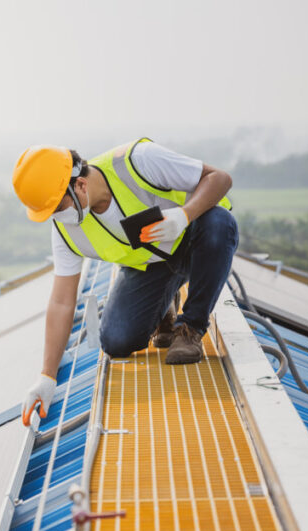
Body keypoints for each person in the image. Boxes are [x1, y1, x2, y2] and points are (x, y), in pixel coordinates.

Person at [13, 138, 237, 426]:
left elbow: (220, 178)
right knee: (117, 340)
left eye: (58, 207)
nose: (57, 217)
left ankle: (190, 327)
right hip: (151, 268)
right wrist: (47, 376)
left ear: (79, 184)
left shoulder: (138, 162)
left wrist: (185, 215)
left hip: (197, 241)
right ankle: (164, 306)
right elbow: (61, 300)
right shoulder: (66, 231)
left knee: (219, 223)